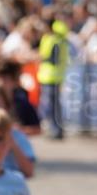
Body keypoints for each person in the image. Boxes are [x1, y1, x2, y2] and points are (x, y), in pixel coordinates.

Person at [37, 11, 68, 139]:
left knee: (48, 104)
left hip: (48, 75)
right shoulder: (62, 40)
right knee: (56, 105)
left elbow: (44, 56)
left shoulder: (49, 39)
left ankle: (52, 129)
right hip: (58, 75)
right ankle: (58, 129)